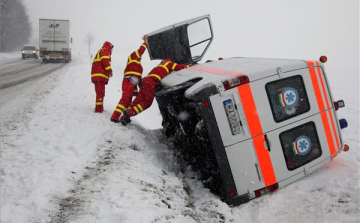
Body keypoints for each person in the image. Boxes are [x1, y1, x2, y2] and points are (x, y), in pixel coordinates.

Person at [119, 58, 189, 126]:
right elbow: (178, 67)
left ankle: (124, 117)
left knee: (138, 100)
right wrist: (188, 66)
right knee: (147, 103)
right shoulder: (168, 64)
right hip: (151, 83)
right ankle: (130, 112)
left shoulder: (158, 67)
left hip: (145, 81)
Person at [110, 39, 148, 122]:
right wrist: (146, 42)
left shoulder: (137, 63)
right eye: (140, 56)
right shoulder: (133, 55)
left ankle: (125, 117)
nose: (140, 57)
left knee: (128, 101)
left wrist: (135, 90)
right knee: (125, 99)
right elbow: (141, 50)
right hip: (128, 80)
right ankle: (114, 117)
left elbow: (135, 78)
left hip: (132, 81)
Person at [91, 41, 114, 113]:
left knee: (100, 93)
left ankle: (100, 107)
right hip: (99, 75)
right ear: (109, 46)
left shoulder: (102, 50)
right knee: (100, 93)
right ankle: (98, 109)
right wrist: (109, 71)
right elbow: (105, 61)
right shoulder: (105, 50)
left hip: (97, 75)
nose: (112, 50)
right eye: (111, 48)